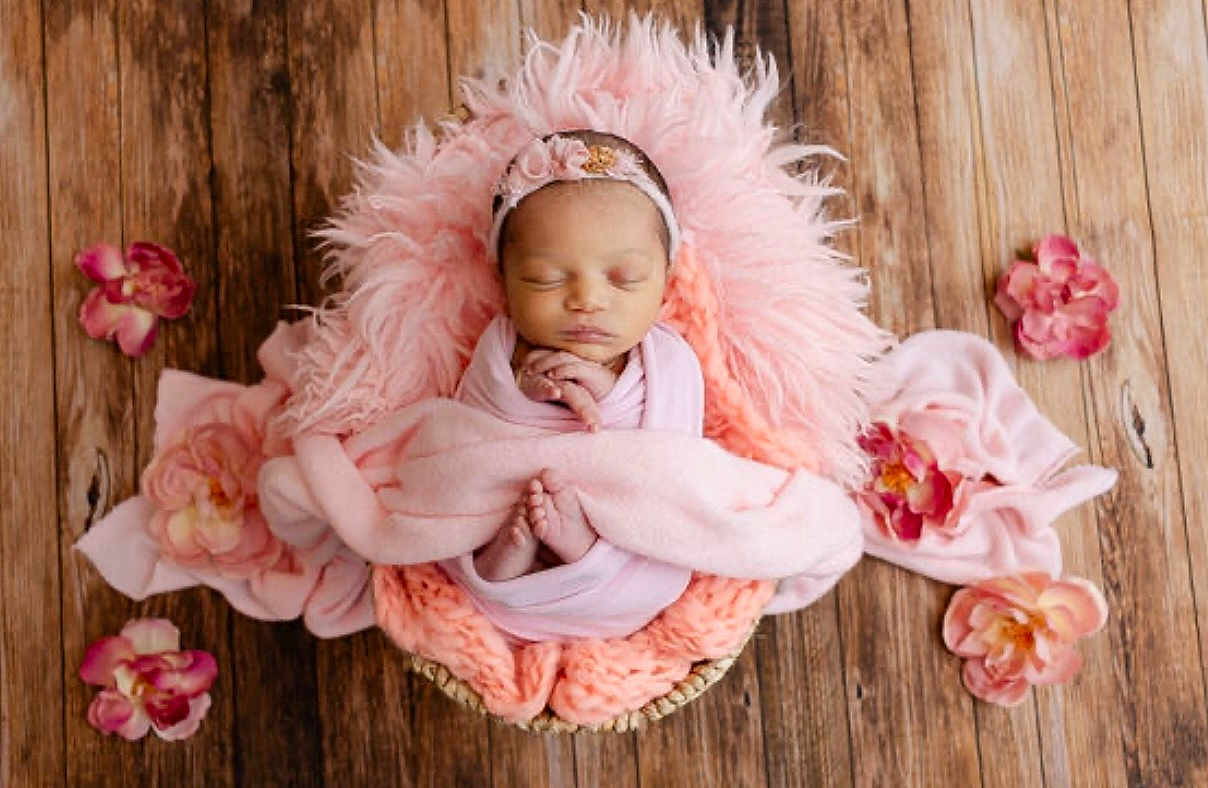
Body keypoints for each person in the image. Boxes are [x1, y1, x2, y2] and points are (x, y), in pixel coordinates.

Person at [436, 129, 702, 637]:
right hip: (509, 493)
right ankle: (497, 565)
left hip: (627, 539)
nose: (587, 300)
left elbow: (674, 459)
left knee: (666, 540)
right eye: (545, 279)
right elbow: (469, 427)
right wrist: (525, 389)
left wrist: (609, 391)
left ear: (666, 277)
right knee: (456, 494)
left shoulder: (669, 361)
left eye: (623, 279)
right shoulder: (501, 346)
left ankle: (584, 551)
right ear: (504, 280)